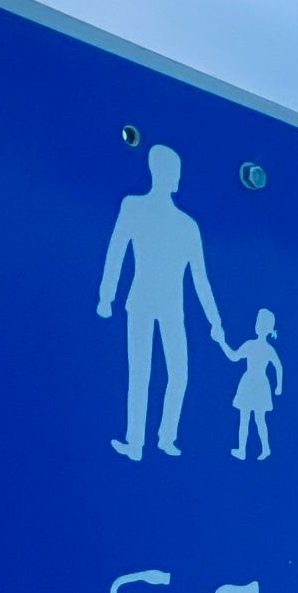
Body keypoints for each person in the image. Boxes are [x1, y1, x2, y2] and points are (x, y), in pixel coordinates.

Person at [97, 144, 225, 460]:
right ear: (160, 172)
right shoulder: (133, 207)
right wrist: (106, 296)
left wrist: (215, 320)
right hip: (139, 301)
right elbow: (116, 252)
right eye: (172, 171)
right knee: (140, 372)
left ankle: (167, 438)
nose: (176, 177)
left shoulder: (187, 225)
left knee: (179, 374)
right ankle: (134, 443)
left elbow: (201, 279)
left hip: (172, 308)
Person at [223, 308, 283, 460]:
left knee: (256, 419)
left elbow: (278, 366)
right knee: (249, 418)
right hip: (252, 383)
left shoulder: (260, 347)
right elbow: (234, 357)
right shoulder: (254, 345)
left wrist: (279, 386)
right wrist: (221, 342)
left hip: (256, 384)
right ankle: (243, 450)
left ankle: (263, 448)